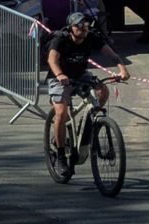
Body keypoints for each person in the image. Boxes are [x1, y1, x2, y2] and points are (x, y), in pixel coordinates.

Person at [47, 12, 129, 176]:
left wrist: (122, 69)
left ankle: (90, 124)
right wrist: (60, 75)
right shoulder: (61, 39)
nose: (84, 29)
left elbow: (111, 55)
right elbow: (52, 60)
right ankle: (61, 156)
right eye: (79, 26)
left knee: (102, 92)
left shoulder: (92, 37)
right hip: (59, 77)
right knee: (61, 113)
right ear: (71, 27)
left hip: (80, 75)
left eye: (86, 25)